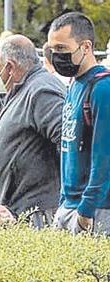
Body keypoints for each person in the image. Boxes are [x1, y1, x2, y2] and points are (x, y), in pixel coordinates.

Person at [0, 35, 64, 228]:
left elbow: (69, 143)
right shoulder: (22, 89)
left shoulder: (41, 91)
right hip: (13, 212)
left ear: (9, 67)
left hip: (35, 213)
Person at [47, 12, 110, 235]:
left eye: (62, 49)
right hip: (68, 205)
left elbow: (104, 155)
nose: (56, 56)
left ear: (85, 47)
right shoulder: (74, 85)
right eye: (52, 50)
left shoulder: (103, 88)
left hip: (95, 210)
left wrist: (86, 210)